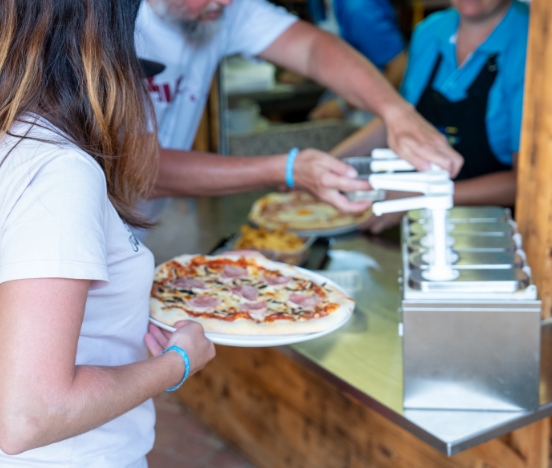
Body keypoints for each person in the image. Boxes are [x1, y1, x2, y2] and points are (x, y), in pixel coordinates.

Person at [0, 1, 215, 466]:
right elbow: (30, 414)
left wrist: (122, 331)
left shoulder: (14, 139)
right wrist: (176, 363)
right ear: (103, 42)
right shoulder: (59, 170)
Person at [134, 0, 463, 236]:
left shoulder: (222, 10)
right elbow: (136, 169)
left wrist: (396, 113)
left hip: (140, 233)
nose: (226, 1)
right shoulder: (108, 25)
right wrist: (288, 168)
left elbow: (312, 48)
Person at [332, 0, 527, 233]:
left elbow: (528, 183)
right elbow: (399, 121)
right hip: (426, 226)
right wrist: (330, 166)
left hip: (499, 236)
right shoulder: (430, 31)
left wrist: (416, 196)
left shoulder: (535, 41)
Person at [309, 0, 408, 121]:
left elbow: (399, 69)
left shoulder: (360, 9)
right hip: (347, 92)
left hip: (373, 107)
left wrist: (344, 106)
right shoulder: (317, 5)